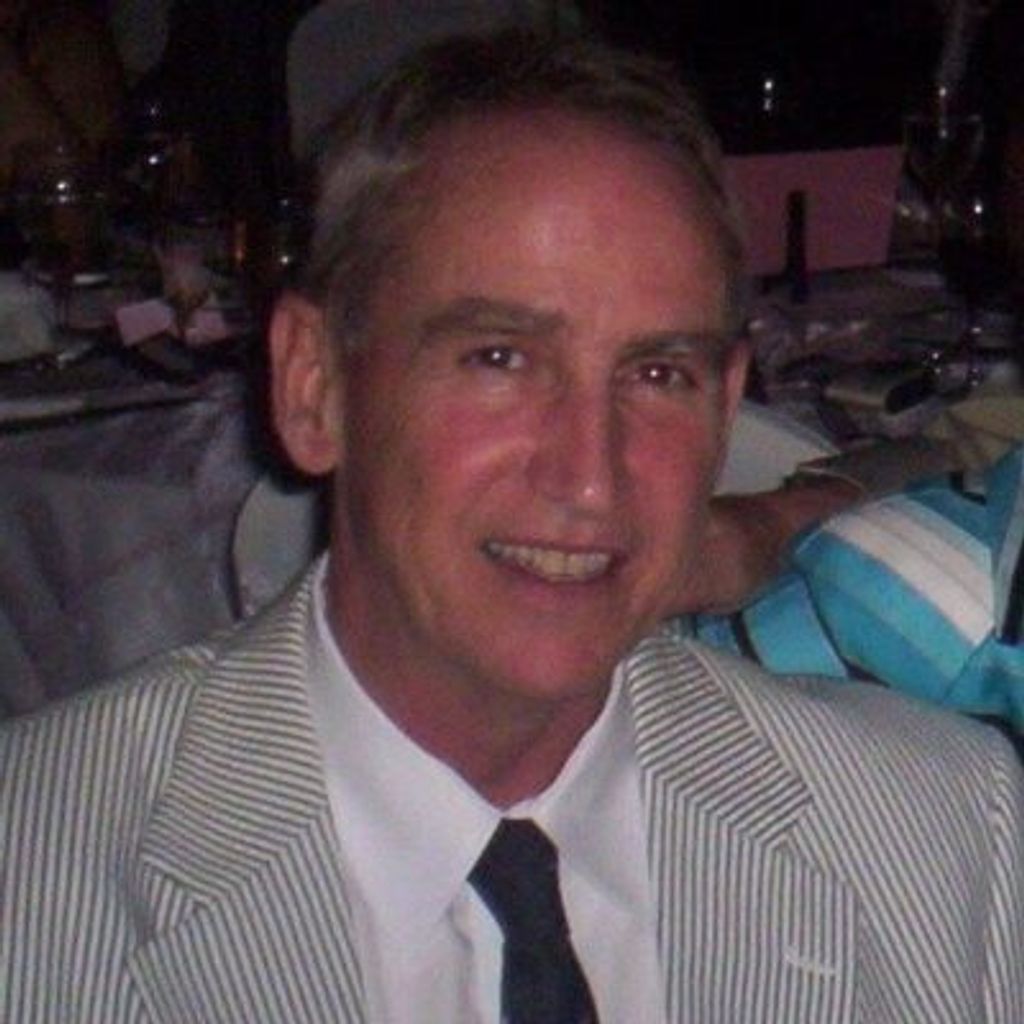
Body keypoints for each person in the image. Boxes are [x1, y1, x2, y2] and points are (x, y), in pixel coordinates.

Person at [3, 31, 1023, 1023]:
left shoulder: (937, 832)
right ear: (314, 385)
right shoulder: (38, 876)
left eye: (656, 373)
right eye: (498, 358)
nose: (589, 476)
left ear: (726, 409)